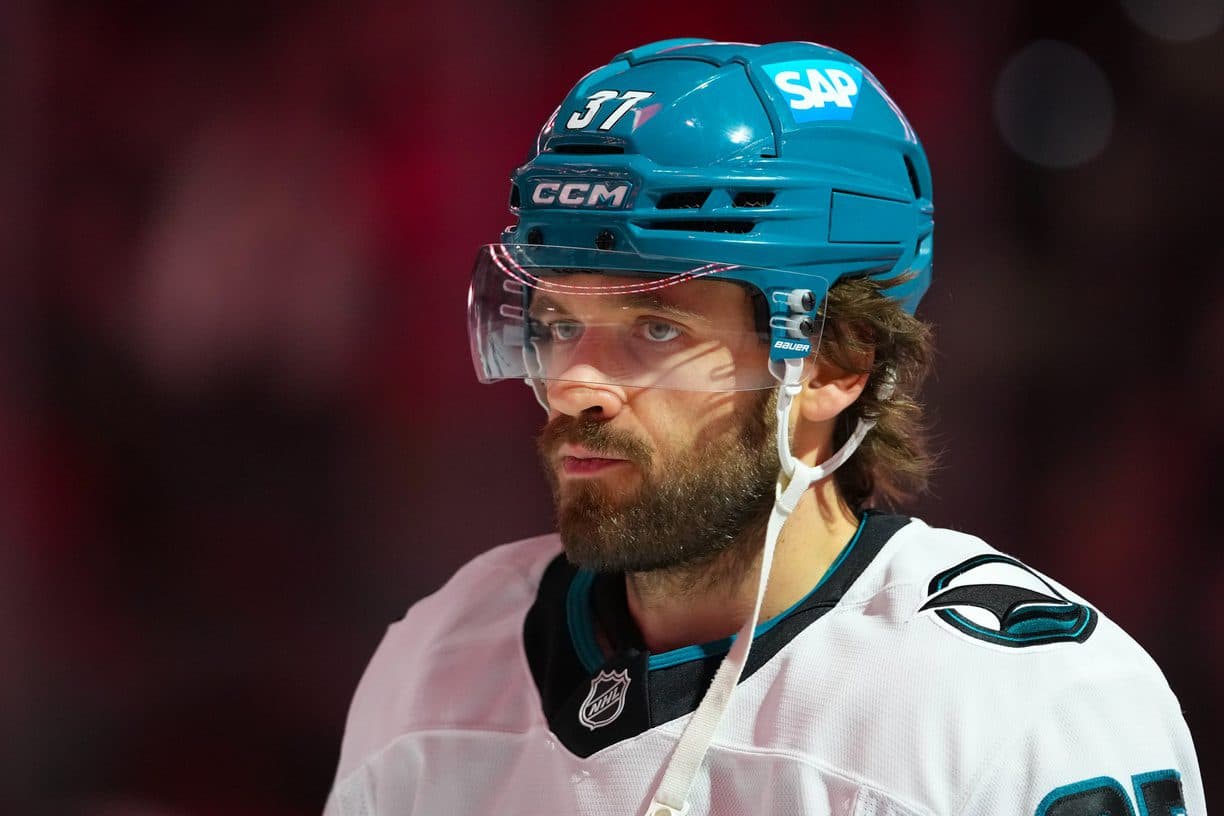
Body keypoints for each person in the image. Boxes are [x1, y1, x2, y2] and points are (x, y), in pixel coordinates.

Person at [325, 39, 1205, 815]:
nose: (577, 387)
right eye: (558, 326)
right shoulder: (440, 662)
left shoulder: (1016, 709)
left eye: (656, 330)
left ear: (832, 362)